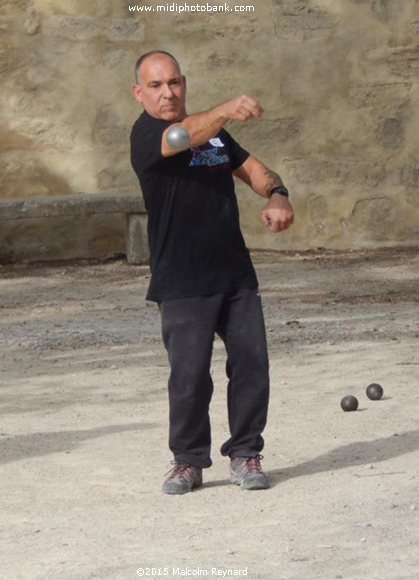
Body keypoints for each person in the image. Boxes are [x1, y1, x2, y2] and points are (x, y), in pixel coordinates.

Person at [129, 50, 294, 494]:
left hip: (234, 274)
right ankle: (187, 461)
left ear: (185, 83)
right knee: (189, 377)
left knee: (252, 365)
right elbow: (178, 137)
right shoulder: (147, 134)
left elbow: (256, 170)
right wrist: (224, 109)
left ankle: (245, 453)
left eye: (175, 83)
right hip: (182, 280)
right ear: (139, 92)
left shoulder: (217, 138)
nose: (168, 93)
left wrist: (277, 194)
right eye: (157, 85)